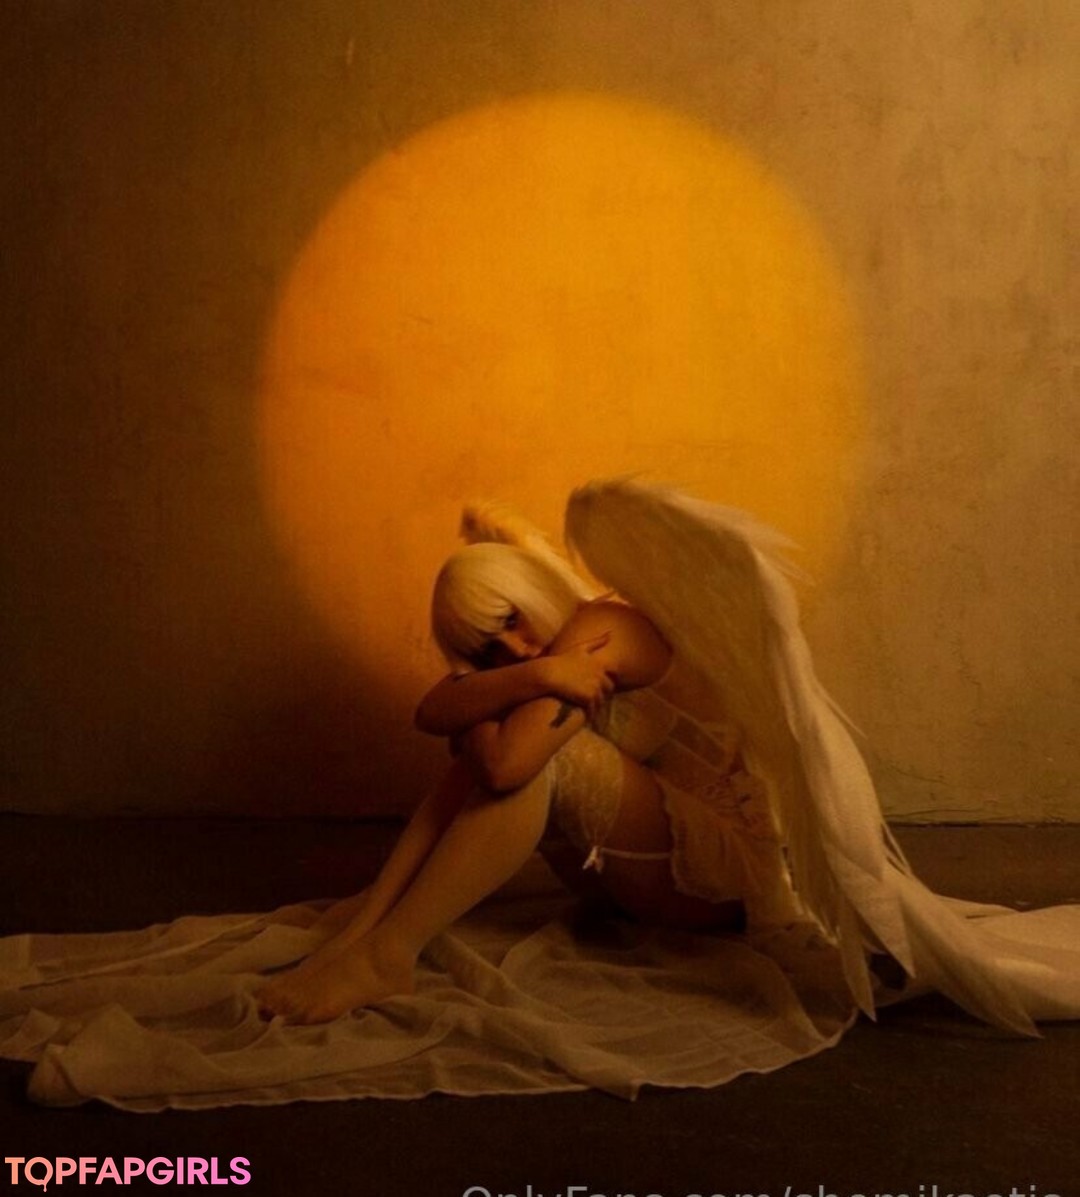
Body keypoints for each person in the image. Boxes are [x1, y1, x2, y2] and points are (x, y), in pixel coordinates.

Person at [256, 525, 768, 1025]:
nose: (515, 649)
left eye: (510, 619)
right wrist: (536, 674)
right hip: (635, 880)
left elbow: (505, 765)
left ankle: (388, 953)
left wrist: (483, 702)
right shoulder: (544, 662)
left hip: (718, 878)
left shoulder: (604, 628)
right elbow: (431, 711)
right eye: (487, 648)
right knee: (491, 748)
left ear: (532, 589)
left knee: (536, 756)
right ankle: (370, 921)